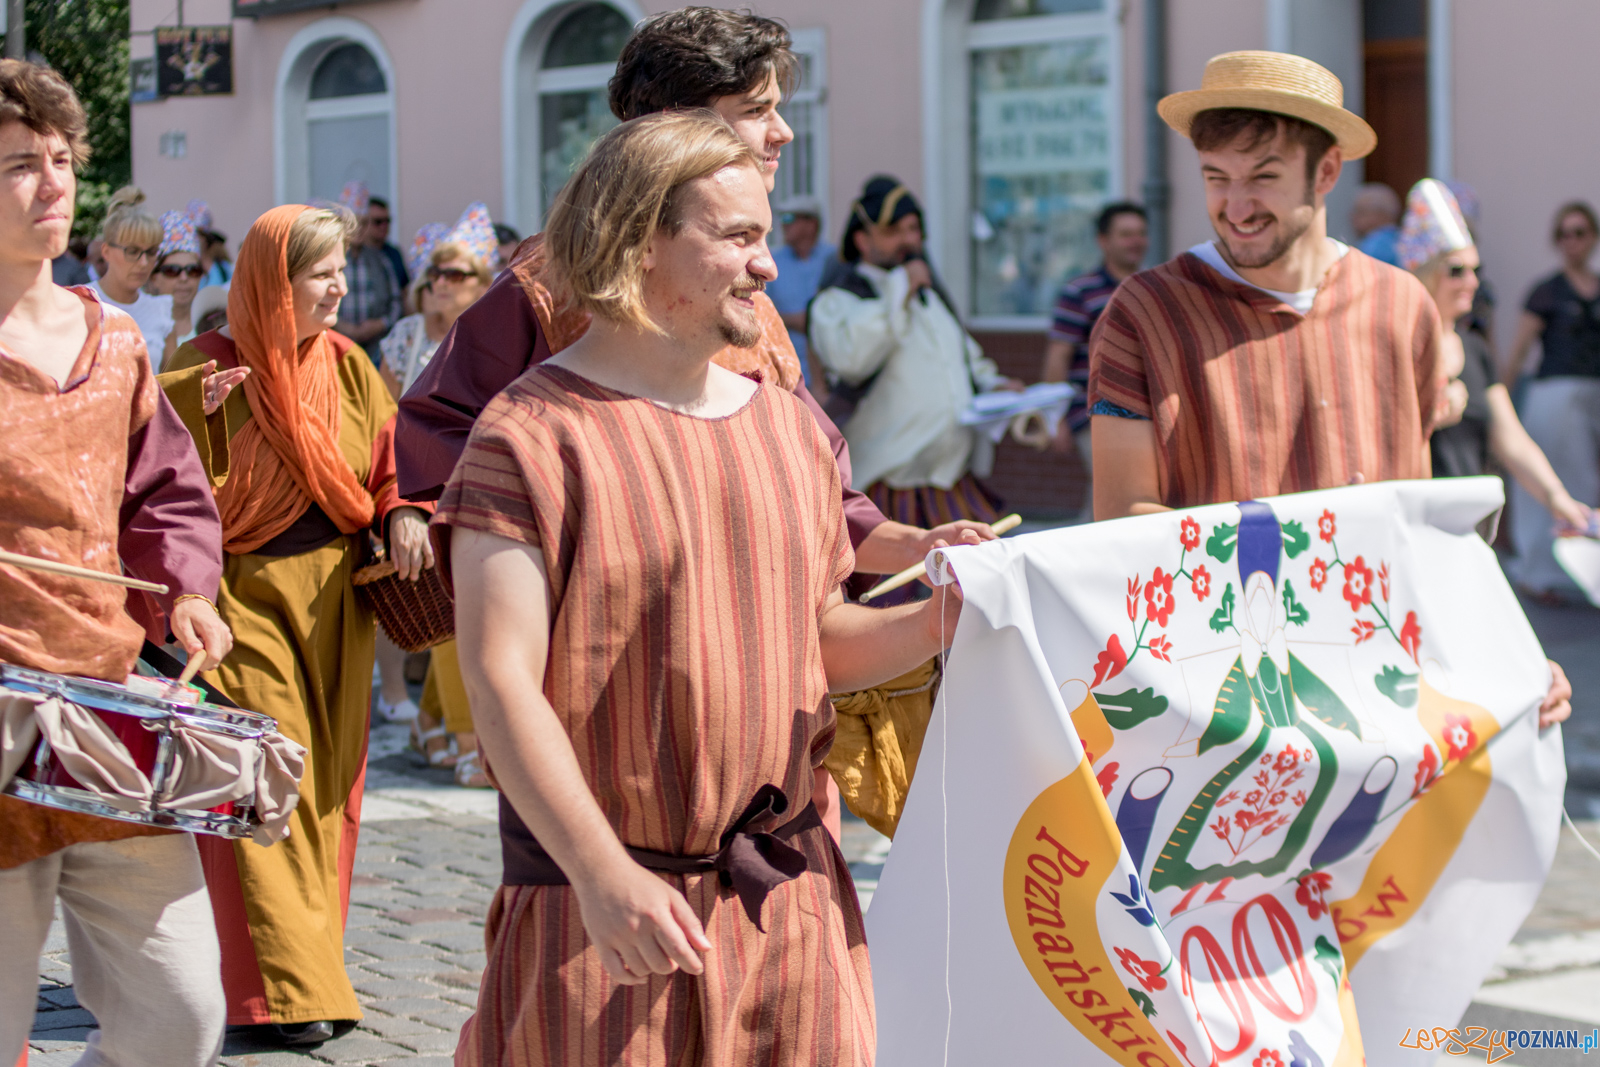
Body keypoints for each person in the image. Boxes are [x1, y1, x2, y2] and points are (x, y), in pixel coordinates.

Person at [395, 7, 998, 832]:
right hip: (626, 713)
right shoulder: (550, 284)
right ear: (673, 127)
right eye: (757, 109)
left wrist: (914, 547)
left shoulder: (746, 289)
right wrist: (598, 539)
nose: (782, 132)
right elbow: (443, 438)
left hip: (770, 713)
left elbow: (817, 486)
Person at [443, 109, 961, 1067]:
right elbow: (498, 680)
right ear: (641, 241)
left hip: (788, 908)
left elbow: (823, 639)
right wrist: (600, 874)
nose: (768, 266)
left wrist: (946, 613)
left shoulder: (793, 432)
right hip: (605, 920)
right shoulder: (529, 435)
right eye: (738, 237)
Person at [1088, 50, 1572, 728]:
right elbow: (1122, 524)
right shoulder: (1141, 313)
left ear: (1326, 171)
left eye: (1263, 177)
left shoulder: (1403, 306)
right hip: (1213, 698)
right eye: (1215, 178)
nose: (1236, 205)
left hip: (1384, 685)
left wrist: (1502, 651)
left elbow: (1422, 521)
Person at [0, 58, 234, 1067]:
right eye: (19, 163)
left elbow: (163, 490)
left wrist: (185, 592)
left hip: (105, 716)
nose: (53, 184)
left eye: (60, 159)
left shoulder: (120, 339)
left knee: (180, 1015)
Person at [164, 203, 434, 1046]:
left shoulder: (353, 367)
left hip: (338, 603)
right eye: (319, 272)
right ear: (272, 284)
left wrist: (406, 514)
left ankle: (300, 968)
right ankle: (286, 992)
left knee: (325, 788)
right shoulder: (198, 371)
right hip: (239, 601)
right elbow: (165, 495)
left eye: (341, 269)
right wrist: (186, 592)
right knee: (258, 772)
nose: (339, 286)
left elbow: (397, 464)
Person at [809, 175, 1019, 533]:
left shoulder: (929, 299)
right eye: (893, 231)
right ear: (862, 239)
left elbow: (969, 362)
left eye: (914, 230)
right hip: (885, 488)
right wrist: (901, 288)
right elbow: (852, 361)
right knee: (901, 590)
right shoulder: (837, 303)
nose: (909, 241)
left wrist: (996, 386)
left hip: (951, 484)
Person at [1400, 179, 1593, 532]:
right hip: (1415, 528)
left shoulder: (1474, 350)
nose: (1471, 282)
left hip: (1467, 529)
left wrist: (1556, 498)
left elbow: (1511, 439)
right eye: (1457, 270)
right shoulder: (1398, 348)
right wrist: (1428, 417)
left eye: (1476, 270)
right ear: (1426, 273)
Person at [1501, 200, 1600, 600]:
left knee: (1588, 487)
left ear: (1592, 237)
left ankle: (1587, 575)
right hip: (1554, 398)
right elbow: (1521, 349)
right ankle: (1538, 573)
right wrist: (1501, 405)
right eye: (1564, 233)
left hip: (1593, 396)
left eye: (1579, 232)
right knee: (1551, 487)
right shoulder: (1546, 292)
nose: (1571, 241)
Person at [1041, 200, 1149, 520]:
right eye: (1126, 234)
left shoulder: (1150, 289)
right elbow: (1057, 357)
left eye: (1141, 233)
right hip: (1089, 412)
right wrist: (1054, 418)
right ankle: (1091, 561)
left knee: (1118, 492)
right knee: (1114, 490)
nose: (1136, 241)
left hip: (1141, 412)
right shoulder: (1080, 292)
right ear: (1103, 241)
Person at [89, 186, 174, 371]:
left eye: (151, 252)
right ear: (106, 251)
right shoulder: (81, 301)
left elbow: (170, 387)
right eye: (132, 251)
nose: (143, 263)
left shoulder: (161, 310)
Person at [767, 196, 834, 388]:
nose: (782, 225)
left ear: (811, 224)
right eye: (781, 219)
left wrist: (809, 321)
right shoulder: (772, 262)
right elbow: (759, 311)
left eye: (789, 219)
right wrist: (796, 320)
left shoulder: (834, 259)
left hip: (831, 378)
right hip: (786, 377)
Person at [334, 181, 403, 354]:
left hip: (375, 350)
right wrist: (341, 325)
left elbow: (396, 302)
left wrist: (380, 324)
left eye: (363, 223)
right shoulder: (330, 260)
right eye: (353, 222)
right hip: (336, 347)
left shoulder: (381, 261)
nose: (357, 229)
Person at [147, 209, 206, 355]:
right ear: (154, 278)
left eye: (193, 270)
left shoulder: (212, 322)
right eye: (172, 270)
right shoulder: (142, 324)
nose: (184, 278)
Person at [365, 194, 410, 291]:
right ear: (365, 223)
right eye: (378, 221)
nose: (384, 226)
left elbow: (404, 291)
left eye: (387, 221)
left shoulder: (394, 253)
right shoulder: (356, 255)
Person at [1351, 181, 1401, 265]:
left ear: (1380, 214)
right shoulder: (1405, 239)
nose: (1353, 218)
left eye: (1361, 212)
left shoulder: (1373, 246)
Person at [187, 200, 233, 289]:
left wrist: (209, 266)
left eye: (197, 234)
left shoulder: (223, 268)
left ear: (205, 239)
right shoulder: (184, 269)